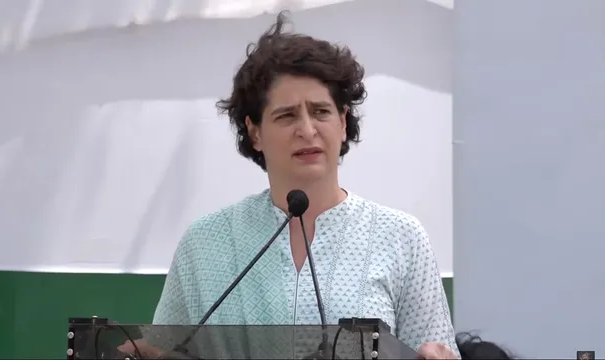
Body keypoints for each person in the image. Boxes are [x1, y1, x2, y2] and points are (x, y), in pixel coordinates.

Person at [120, 11, 459, 359]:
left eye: (321, 112)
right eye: (287, 116)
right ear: (254, 132)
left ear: (343, 122)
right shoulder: (205, 243)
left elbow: (435, 349)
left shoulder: (400, 238)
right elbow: (160, 352)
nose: (307, 130)